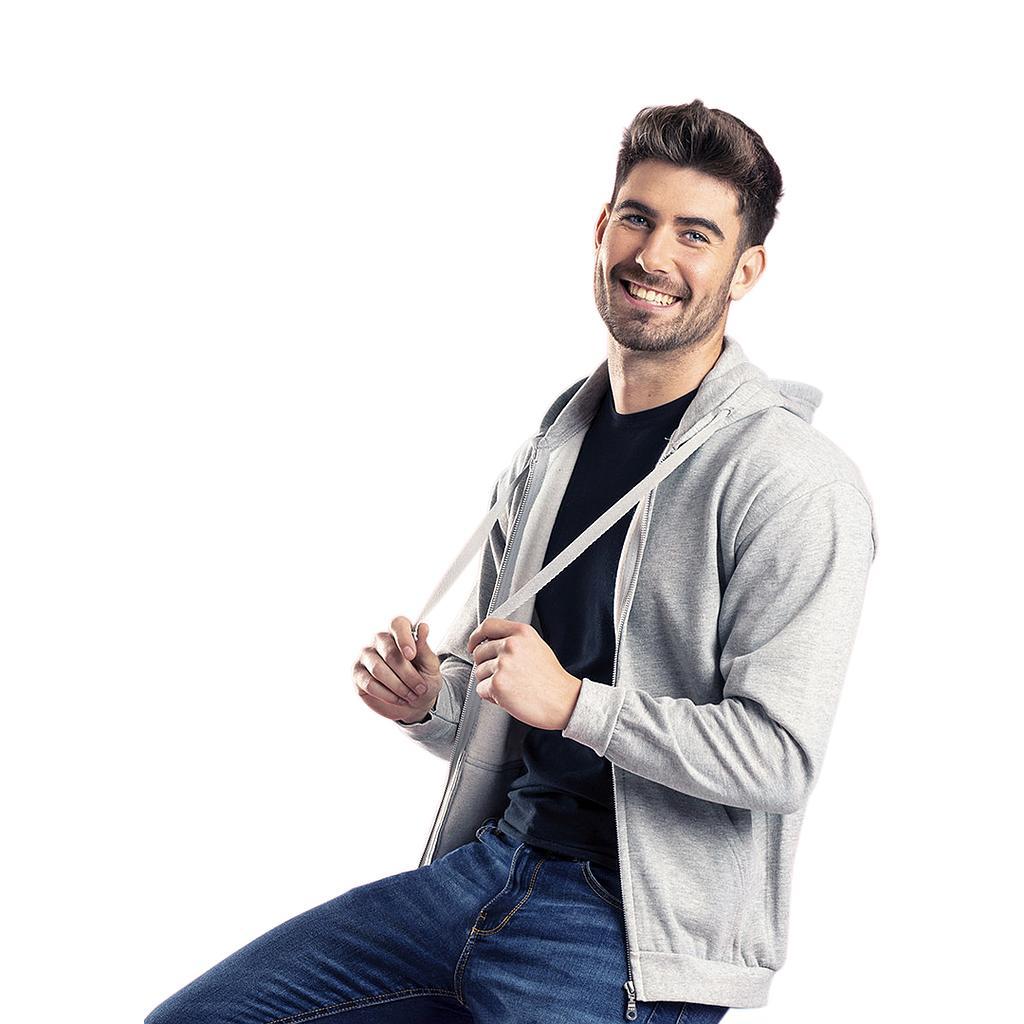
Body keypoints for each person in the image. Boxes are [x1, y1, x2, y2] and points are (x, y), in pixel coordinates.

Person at [144, 99, 877, 1024]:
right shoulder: (549, 453)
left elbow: (776, 758)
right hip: (488, 869)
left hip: (630, 934)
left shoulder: (793, 481)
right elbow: (498, 702)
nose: (654, 256)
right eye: (638, 218)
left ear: (746, 270)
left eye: (696, 234)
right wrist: (430, 701)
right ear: (601, 228)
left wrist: (573, 703)